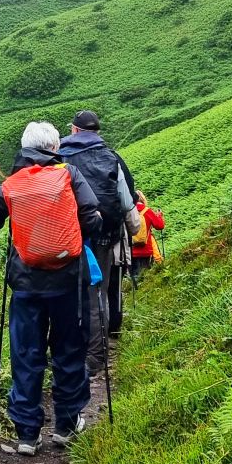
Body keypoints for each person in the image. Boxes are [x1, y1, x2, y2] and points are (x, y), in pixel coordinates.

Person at [0, 121, 102, 455]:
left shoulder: (11, 183)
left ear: (25, 148)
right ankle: (66, 425)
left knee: (27, 355)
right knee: (69, 351)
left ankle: (27, 434)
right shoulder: (70, 175)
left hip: (26, 285)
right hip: (68, 283)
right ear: (55, 148)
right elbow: (93, 218)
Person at [57, 110, 141, 379]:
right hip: (103, 237)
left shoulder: (57, 157)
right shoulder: (111, 158)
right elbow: (126, 201)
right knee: (98, 293)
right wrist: (132, 228)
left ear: (73, 130)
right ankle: (97, 356)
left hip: (65, 236)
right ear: (97, 132)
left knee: (67, 294)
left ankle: (68, 352)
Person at [130, 190, 165, 281]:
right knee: (145, 276)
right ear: (143, 199)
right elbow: (159, 226)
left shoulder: (129, 211)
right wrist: (159, 216)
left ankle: (133, 291)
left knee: (133, 276)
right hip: (146, 249)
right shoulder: (147, 211)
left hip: (130, 250)